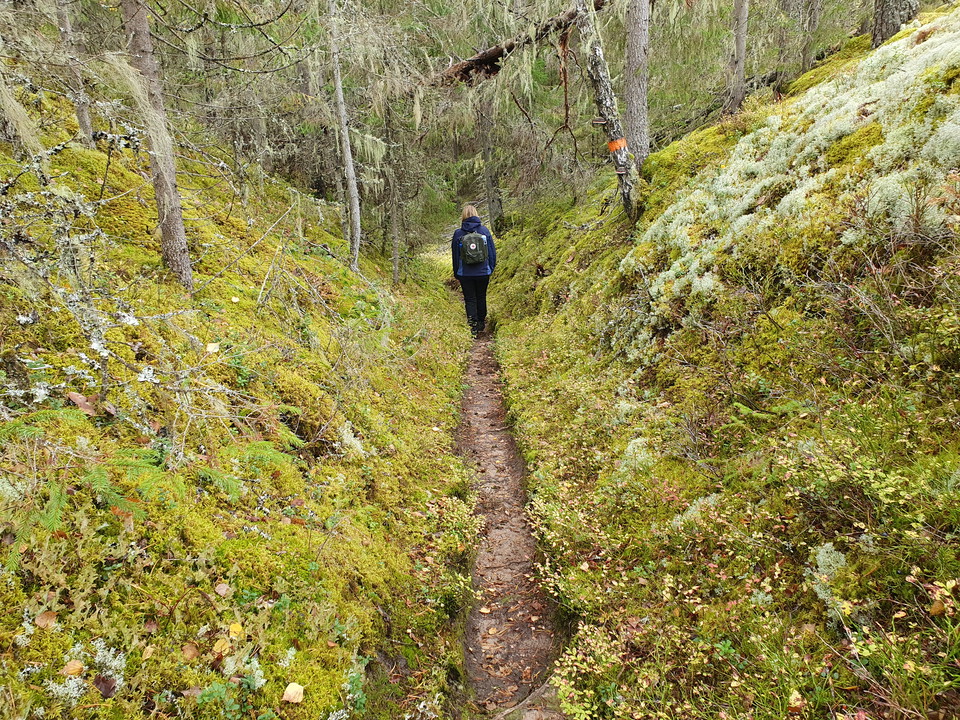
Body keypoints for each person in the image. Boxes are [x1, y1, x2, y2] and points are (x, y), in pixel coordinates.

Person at [451, 204, 496, 337]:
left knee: (470, 298)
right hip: (483, 272)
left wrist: (456, 272)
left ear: (463, 216)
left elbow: (455, 255)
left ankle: (473, 325)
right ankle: (481, 322)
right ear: (476, 214)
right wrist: (490, 268)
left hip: (465, 273)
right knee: (481, 296)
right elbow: (492, 253)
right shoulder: (484, 231)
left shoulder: (458, 234)